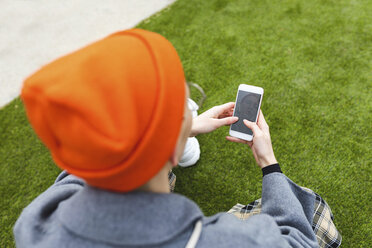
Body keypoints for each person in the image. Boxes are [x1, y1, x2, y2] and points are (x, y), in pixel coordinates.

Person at [14, 29, 341, 247]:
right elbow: (297, 239)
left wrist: (182, 128)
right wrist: (270, 165)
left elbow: (81, 170)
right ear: (175, 153)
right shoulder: (228, 241)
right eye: (182, 105)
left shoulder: (35, 221)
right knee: (314, 213)